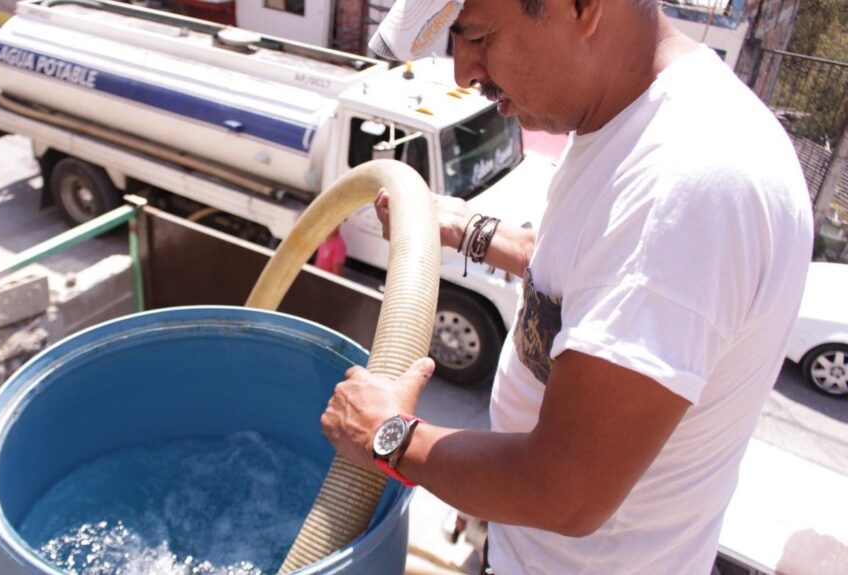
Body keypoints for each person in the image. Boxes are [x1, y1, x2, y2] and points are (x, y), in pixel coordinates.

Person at [319, 0, 814, 572]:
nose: (463, 71)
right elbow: (580, 272)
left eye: (476, 35)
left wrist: (390, 436)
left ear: (581, 7)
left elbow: (564, 491)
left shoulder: (684, 184)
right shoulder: (634, 117)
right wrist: (465, 228)